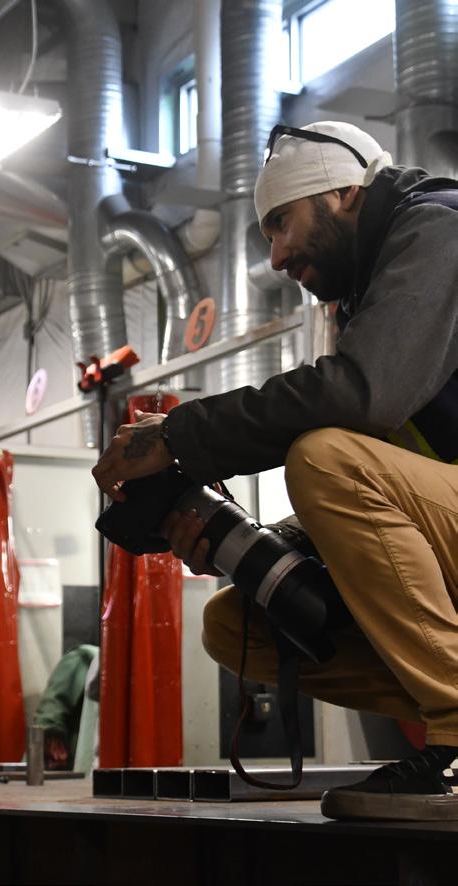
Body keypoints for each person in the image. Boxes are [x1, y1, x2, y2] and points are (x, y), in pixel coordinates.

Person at [92, 120, 458, 822]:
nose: (276, 255)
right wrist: (263, 547)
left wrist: (178, 435)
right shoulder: (367, 297)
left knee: (323, 456)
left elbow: (361, 396)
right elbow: (397, 476)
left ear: (344, 193)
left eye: (281, 222)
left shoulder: (440, 226)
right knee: (238, 623)